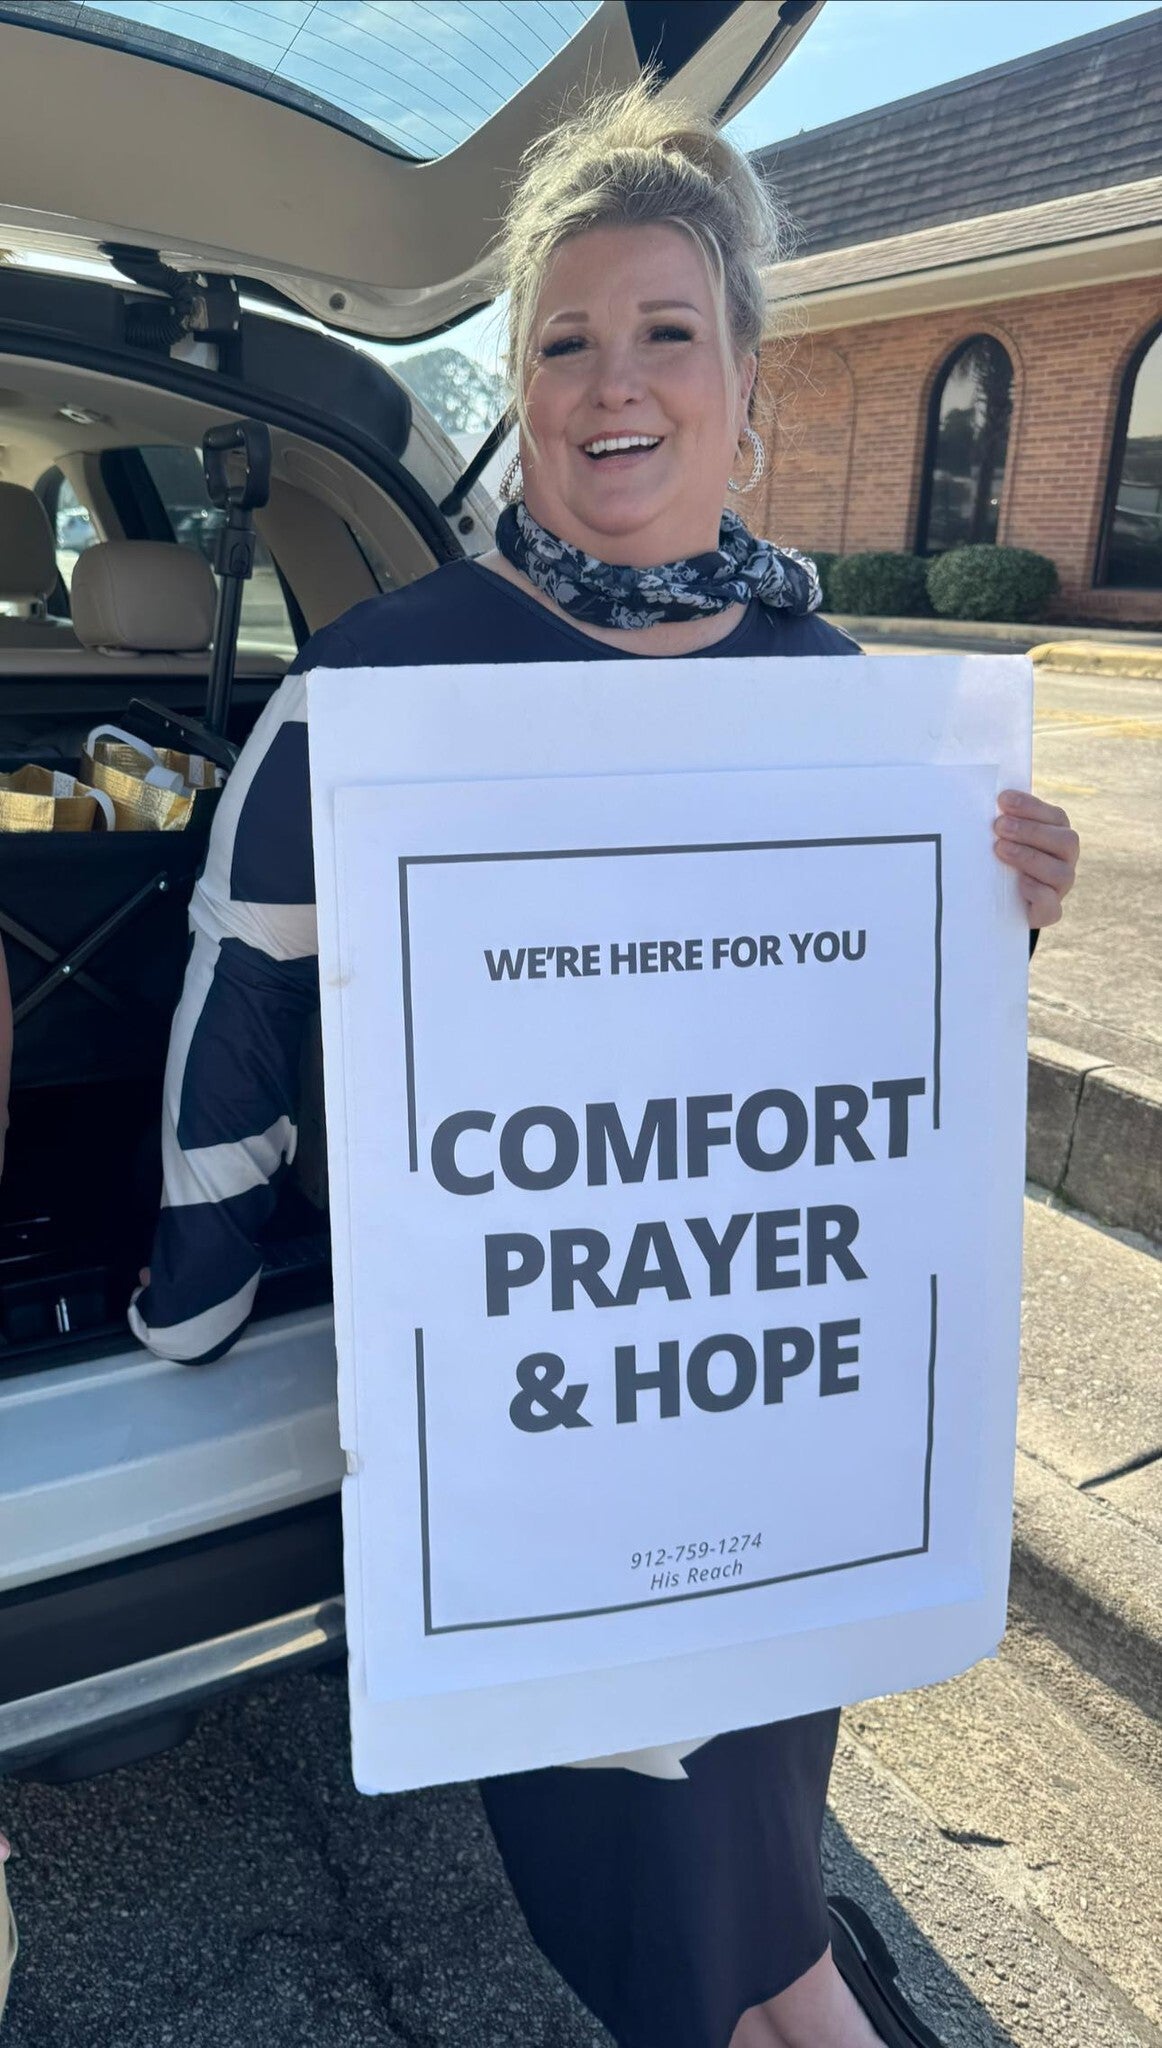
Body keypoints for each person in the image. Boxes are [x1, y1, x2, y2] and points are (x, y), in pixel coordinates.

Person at [130, 84, 1079, 2048]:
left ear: (742, 381)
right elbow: (242, 1003)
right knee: (679, 1915)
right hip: (537, 1414)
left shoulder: (844, 711)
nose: (611, 380)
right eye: (564, 342)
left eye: (663, 331)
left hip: (765, 1414)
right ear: (523, 389)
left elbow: (876, 1059)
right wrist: (193, 1293)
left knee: (749, 1898)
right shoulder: (382, 687)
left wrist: (997, 912)